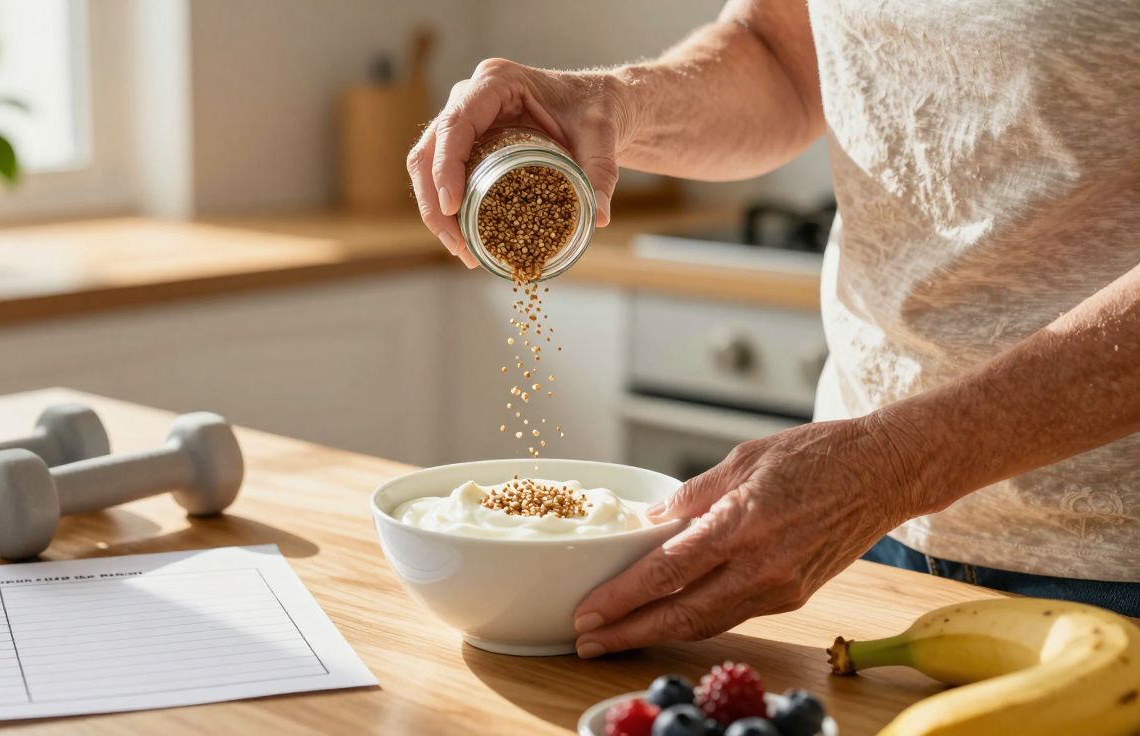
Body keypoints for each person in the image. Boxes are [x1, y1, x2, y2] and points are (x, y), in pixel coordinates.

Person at [407, 0, 1140, 656]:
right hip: (855, 541)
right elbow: (781, 56)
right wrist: (615, 103)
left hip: (1106, 561)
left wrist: (893, 464)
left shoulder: (882, 476)